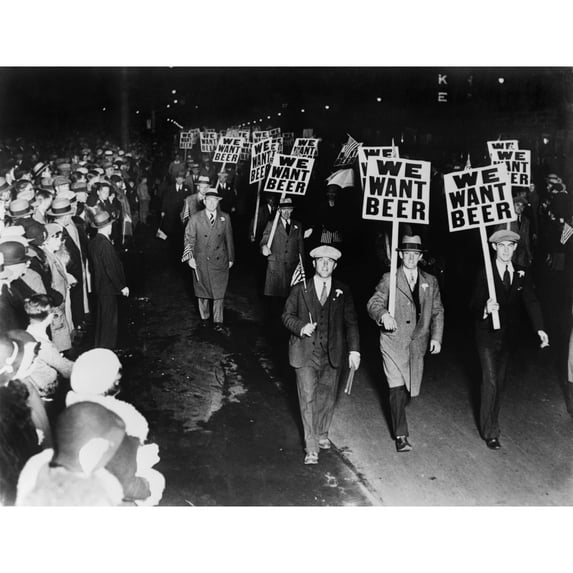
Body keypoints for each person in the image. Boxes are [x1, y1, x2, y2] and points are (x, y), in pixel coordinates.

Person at [470, 229, 549, 449]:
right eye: (501, 246)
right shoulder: (484, 272)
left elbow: (531, 301)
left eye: (510, 246)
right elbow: (473, 303)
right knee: (491, 381)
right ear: (494, 248)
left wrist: (540, 329)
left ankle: (491, 422)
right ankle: (490, 431)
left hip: (508, 338)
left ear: (515, 248)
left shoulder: (522, 273)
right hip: (486, 335)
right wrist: (485, 308)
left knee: (500, 384)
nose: (505, 251)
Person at [282, 245, 360, 465]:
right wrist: (301, 327)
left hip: (332, 354)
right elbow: (286, 316)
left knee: (326, 397)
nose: (325, 265)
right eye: (321, 261)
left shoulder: (342, 291)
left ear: (335, 265)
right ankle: (311, 447)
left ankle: (323, 432)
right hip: (304, 353)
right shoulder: (300, 289)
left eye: (330, 262)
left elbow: (351, 323)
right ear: (314, 263)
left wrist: (354, 350)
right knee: (307, 398)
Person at [367, 234, 444, 453]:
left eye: (415, 254)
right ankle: (401, 435)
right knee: (397, 389)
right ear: (400, 255)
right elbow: (373, 303)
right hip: (392, 341)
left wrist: (437, 337)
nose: (411, 258)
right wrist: (383, 315)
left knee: (410, 388)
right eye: (406, 253)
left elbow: (438, 311)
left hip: (417, 343)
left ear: (420, 257)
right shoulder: (389, 278)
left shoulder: (431, 281)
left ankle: (400, 422)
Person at [182, 189, 234, 332]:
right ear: (204, 202)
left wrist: (231, 258)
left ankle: (218, 323)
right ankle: (204, 318)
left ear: (218, 202)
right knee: (202, 293)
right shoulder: (195, 218)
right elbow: (189, 239)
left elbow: (229, 239)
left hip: (220, 260)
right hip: (201, 261)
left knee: (219, 293)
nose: (212, 203)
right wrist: (189, 258)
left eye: (215, 200)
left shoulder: (225, 217)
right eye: (209, 200)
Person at [88, 211, 129, 349]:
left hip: (100, 286)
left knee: (102, 319)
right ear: (107, 227)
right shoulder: (105, 244)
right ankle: (107, 349)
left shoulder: (94, 242)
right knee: (109, 321)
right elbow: (110, 268)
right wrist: (122, 287)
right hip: (108, 288)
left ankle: (100, 346)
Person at [260, 197, 304, 316]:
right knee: (275, 303)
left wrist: (302, 266)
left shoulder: (297, 225)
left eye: (289, 209)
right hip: (276, 268)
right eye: (284, 209)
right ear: (279, 210)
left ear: (292, 210)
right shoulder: (272, 224)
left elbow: (300, 247)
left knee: (290, 301)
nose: (286, 212)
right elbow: (264, 241)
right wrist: (264, 247)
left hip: (292, 268)